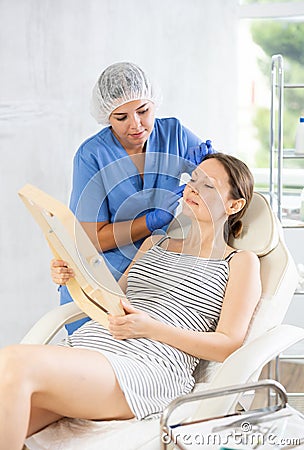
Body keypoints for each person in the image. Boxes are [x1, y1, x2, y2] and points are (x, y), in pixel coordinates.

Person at [0, 153, 261, 449]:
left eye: (208, 186)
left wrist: (150, 329)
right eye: (193, 179)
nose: (193, 188)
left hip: (147, 366)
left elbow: (229, 344)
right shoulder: (154, 243)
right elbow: (111, 300)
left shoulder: (239, 262)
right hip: (91, 346)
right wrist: (72, 274)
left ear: (234, 205)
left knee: (13, 360)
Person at [60, 61, 214, 333]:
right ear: (106, 116)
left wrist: (211, 166)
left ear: (154, 103)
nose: (136, 125)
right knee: (93, 351)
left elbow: (223, 183)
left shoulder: (173, 134)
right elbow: (89, 238)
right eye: (121, 117)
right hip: (102, 278)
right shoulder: (92, 156)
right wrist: (150, 221)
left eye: (144, 111)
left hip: (155, 274)